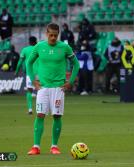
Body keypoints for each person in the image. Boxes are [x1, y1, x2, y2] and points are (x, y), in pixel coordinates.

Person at [26, 23, 80, 155]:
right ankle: (36, 147)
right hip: (43, 88)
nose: (53, 38)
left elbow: (76, 64)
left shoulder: (64, 47)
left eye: (55, 35)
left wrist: (70, 82)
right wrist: (34, 81)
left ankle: (54, 146)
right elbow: (29, 63)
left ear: (58, 34)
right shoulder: (39, 46)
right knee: (40, 115)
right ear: (46, 34)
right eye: (51, 35)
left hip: (58, 88)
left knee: (56, 116)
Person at [15, 36, 38, 115]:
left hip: (30, 74)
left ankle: (30, 109)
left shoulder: (25, 50)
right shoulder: (39, 48)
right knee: (42, 90)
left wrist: (17, 71)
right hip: (40, 73)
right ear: (36, 41)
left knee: (29, 91)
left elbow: (20, 62)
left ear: (29, 42)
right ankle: (43, 110)